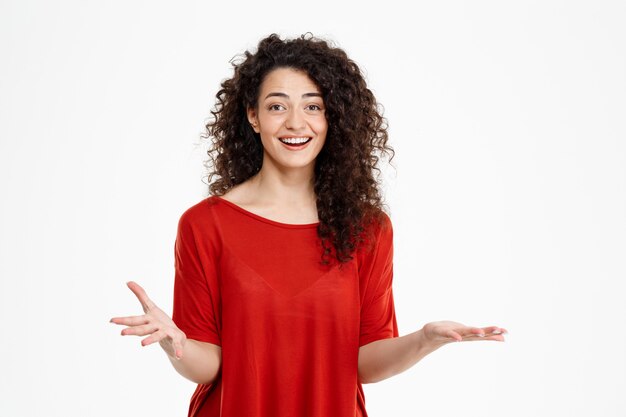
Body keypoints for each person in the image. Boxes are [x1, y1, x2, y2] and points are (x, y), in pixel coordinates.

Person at [110, 33, 507, 417]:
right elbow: (208, 366)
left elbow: (365, 362)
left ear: (332, 117)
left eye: (313, 107)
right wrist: (174, 343)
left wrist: (423, 341)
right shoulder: (205, 224)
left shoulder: (368, 228)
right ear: (253, 116)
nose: (296, 123)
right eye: (277, 106)